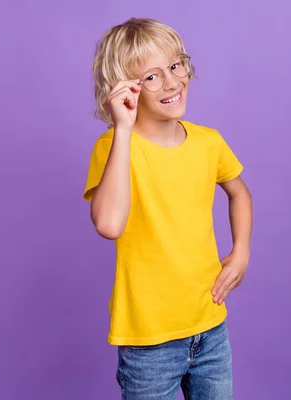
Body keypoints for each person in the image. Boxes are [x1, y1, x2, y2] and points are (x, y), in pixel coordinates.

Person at [83, 17, 253, 399]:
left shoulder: (209, 142)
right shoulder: (113, 148)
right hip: (149, 343)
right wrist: (123, 129)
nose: (173, 82)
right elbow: (109, 224)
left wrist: (240, 252)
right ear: (124, 89)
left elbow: (240, 193)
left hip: (210, 327)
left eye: (175, 66)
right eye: (152, 77)